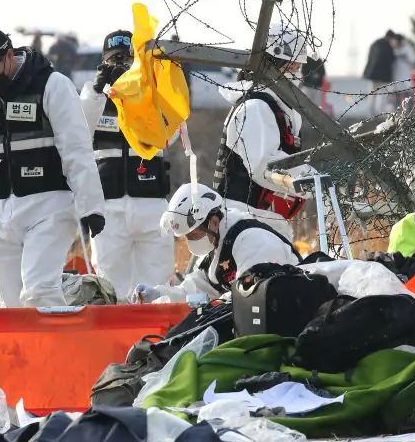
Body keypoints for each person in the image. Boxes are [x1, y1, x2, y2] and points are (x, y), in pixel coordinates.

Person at [0, 27, 106, 308]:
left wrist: (91, 207)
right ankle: (17, 353)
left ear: (8, 56)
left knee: (40, 291)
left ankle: (54, 351)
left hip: (49, 206)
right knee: (6, 302)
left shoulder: (53, 85)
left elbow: (76, 151)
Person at [79, 29, 174, 301]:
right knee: (111, 285)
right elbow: (77, 131)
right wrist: (99, 91)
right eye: (114, 60)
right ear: (103, 62)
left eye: (127, 60)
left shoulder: (154, 93)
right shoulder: (93, 98)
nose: (120, 66)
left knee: (157, 286)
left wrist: (147, 86)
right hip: (109, 207)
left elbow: (173, 131)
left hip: (151, 203)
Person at [215, 23, 316, 240]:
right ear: (272, 65)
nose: (297, 75)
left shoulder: (272, 106)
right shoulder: (256, 108)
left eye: (298, 68)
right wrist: (312, 181)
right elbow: (265, 165)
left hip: (259, 220)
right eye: (291, 68)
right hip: (246, 222)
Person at [134, 184, 301, 304]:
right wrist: (160, 295)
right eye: (187, 237)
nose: (191, 242)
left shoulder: (252, 240)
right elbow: (195, 289)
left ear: (213, 221)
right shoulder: (216, 246)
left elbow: (252, 295)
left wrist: (208, 302)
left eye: (193, 235)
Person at [363, 30, 398, 116]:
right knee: (382, 95)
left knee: (372, 95)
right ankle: (379, 114)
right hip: (383, 77)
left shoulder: (375, 44)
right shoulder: (388, 46)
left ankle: (370, 114)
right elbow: (391, 59)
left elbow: (370, 57)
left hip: (372, 74)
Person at [390, 33, 415, 108]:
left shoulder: (407, 49)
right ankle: (397, 116)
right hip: (396, 80)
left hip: (406, 79)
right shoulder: (392, 50)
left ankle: (410, 115)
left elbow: (413, 61)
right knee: (397, 103)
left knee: (408, 99)